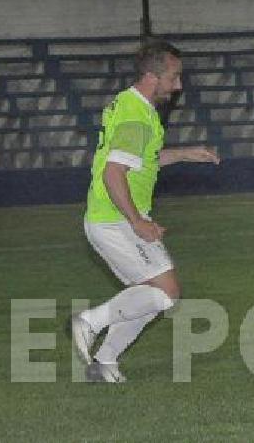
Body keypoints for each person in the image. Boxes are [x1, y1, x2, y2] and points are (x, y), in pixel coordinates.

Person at [70, 39, 221, 382]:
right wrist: (136, 221)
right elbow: (113, 172)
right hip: (115, 219)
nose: (178, 85)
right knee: (165, 293)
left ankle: (105, 363)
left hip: (116, 217)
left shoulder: (130, 105)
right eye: (174, 77)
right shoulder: (137, 115)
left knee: (151, 296)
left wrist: (183, 153)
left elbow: (141, 160)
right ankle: (90, 322)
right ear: (153, 77)